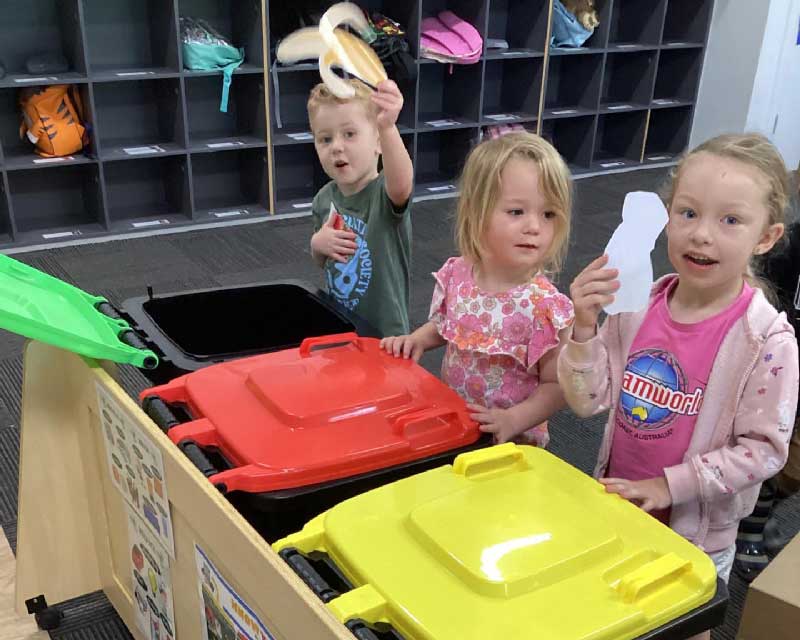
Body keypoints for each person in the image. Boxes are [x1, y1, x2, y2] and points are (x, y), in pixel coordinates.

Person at [558, 133, 799, 638]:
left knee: (684, 628)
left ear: (766, 237)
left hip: (698, 537)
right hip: (619, 506)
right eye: (687, 213)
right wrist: (582, 328)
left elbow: (764, 452)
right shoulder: (636, 307)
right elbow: (587, 401)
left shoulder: (766, 341)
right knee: (615, 615)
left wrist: (669, 485)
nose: (701, 235)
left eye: (730, 220)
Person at [382, 132, 574, 446]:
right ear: (477, 211)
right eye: (516, 212)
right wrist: (417, 339)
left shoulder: (545, 307)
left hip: (512, 441)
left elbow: (557, 387)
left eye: (548, 214)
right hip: (457, 422)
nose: (534, 226)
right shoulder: (459, 274)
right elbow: (451, 324)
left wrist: (514, 420)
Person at [308, 78, 413, 336]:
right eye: (325, 139)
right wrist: (316, 245)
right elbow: (322, 261)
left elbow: (402, 184)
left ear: (378, 143)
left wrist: (387, 127)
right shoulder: (323, 199)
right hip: (342, 327)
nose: (337, 147)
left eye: (350, 134)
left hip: (386, 336)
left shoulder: (383, 194)